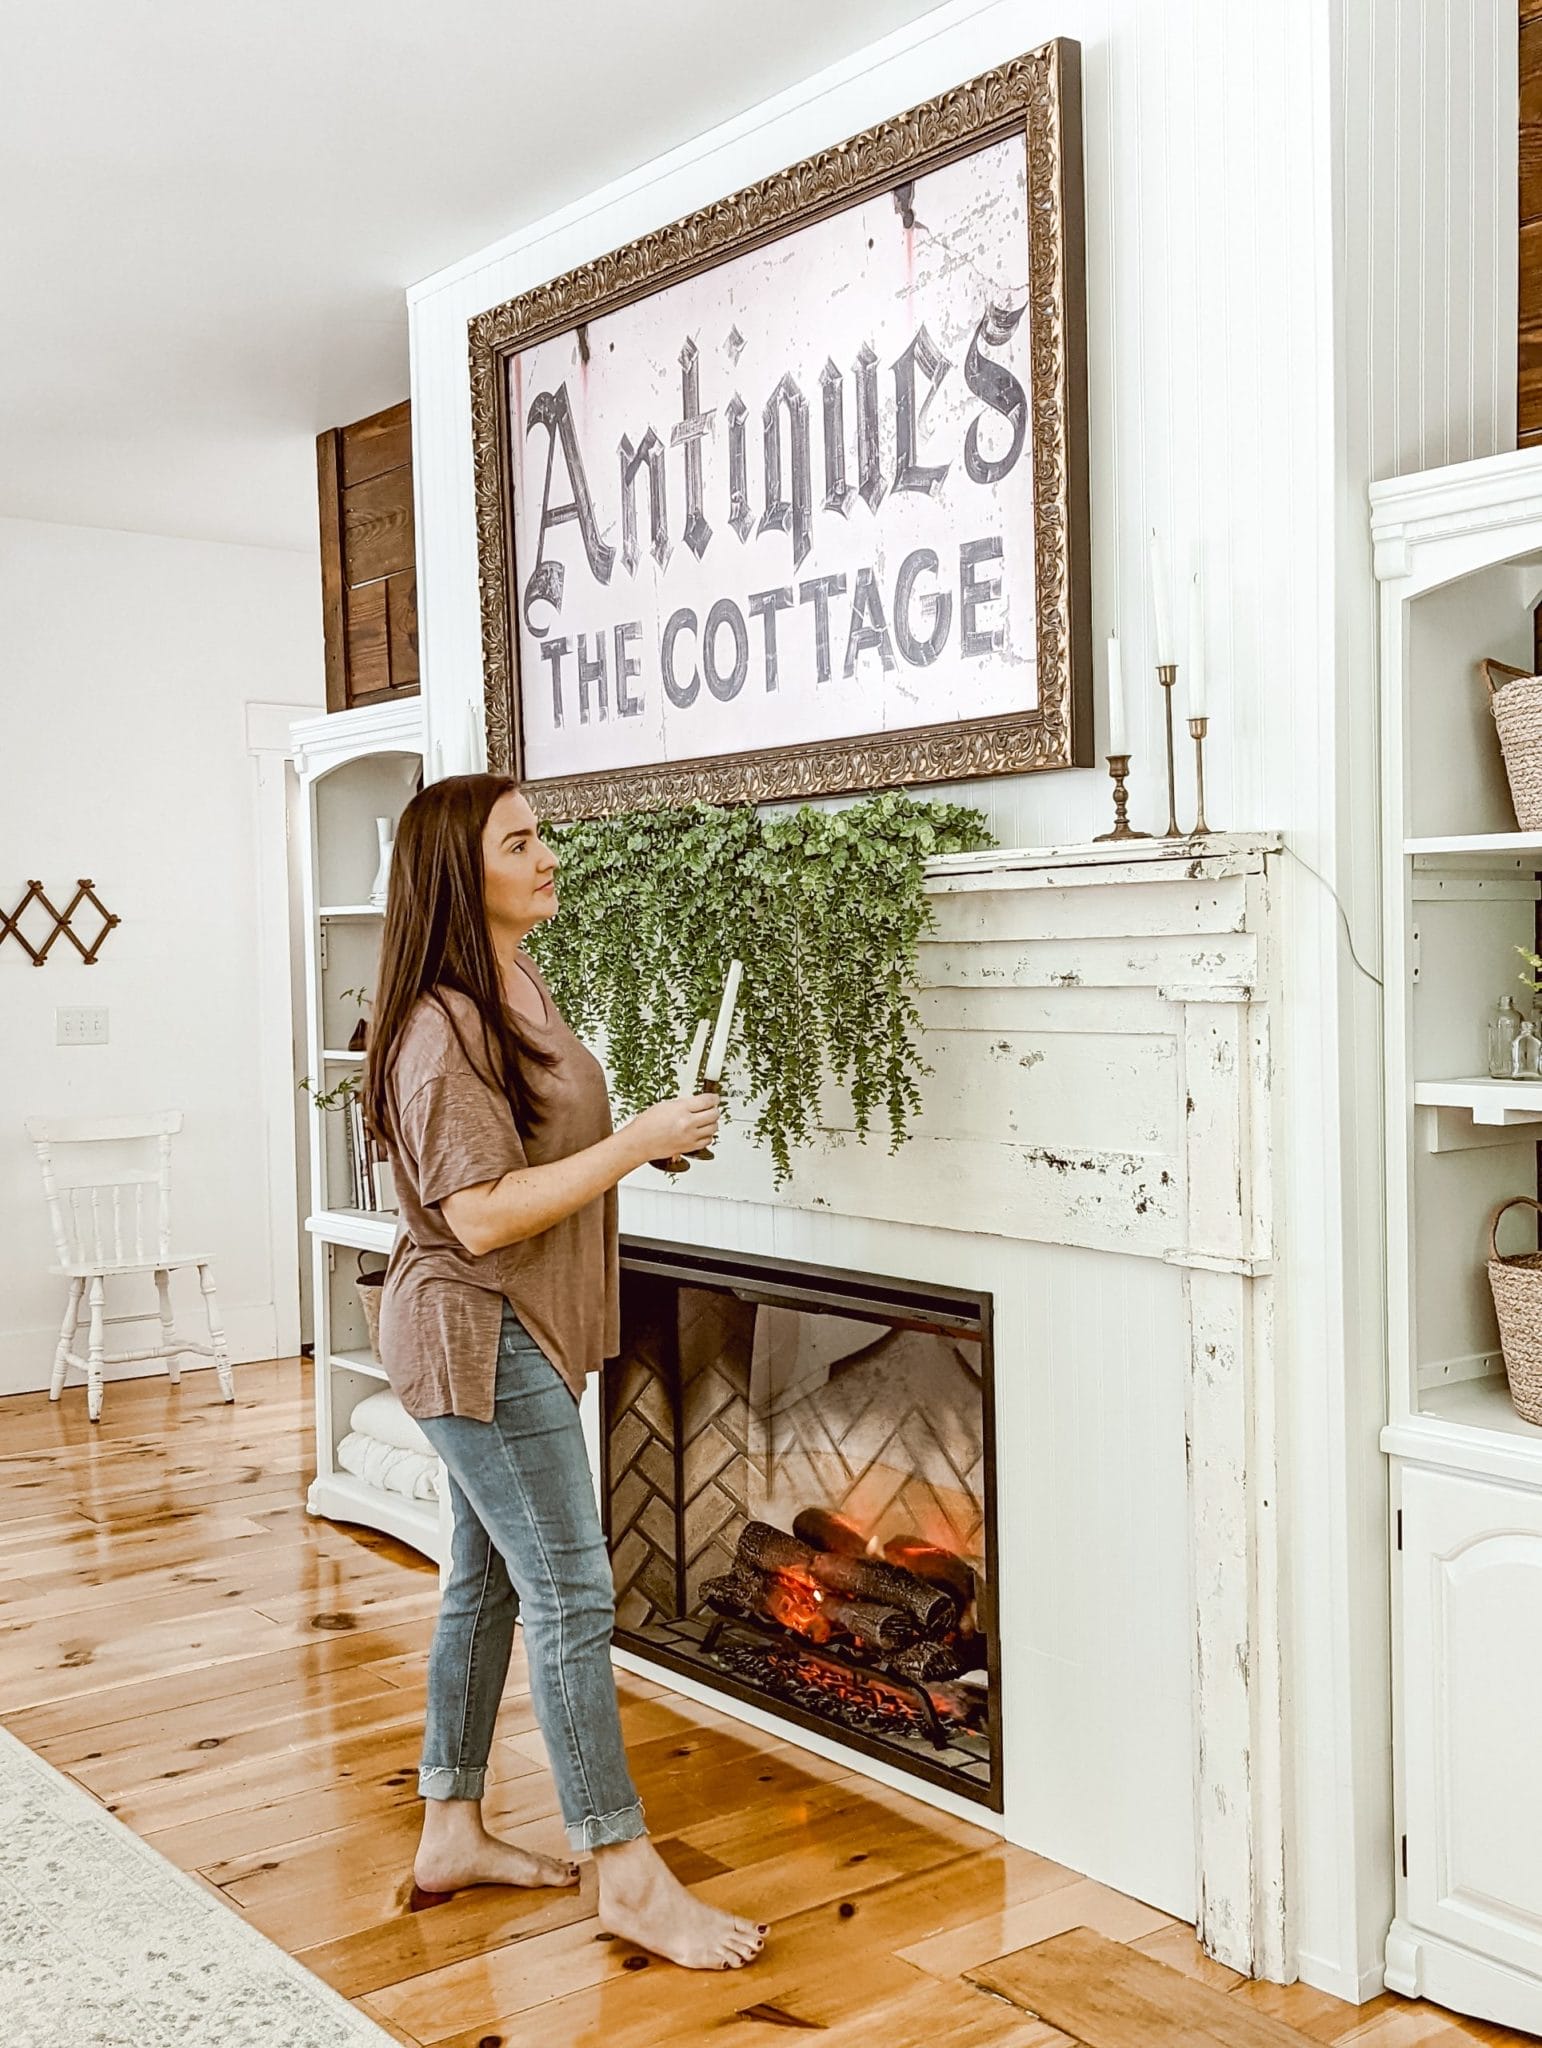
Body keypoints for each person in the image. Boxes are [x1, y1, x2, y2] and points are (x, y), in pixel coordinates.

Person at [363, 771, 766, 1972]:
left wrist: (640, 1148)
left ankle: (451, 1829)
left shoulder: (513, 984)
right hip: (478, 1332)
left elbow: (545, 1157)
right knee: (574, 1592)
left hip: (523, 1324)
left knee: (486, 1582)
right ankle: (625, 1868)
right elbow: (479, 1216)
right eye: (521, 841)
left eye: (543, 835)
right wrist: (632, 1142)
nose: (549, 855)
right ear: (458, 871)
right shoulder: (440, 1024)